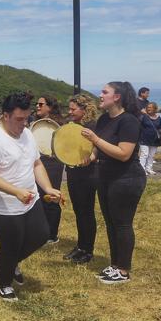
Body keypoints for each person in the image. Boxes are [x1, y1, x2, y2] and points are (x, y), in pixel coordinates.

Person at [0, 92, 62, 302]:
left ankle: (11, 262)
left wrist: (48, 188)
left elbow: (36, 164)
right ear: (5, 116)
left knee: (42, 234)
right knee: (11, 243)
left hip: (28, 197)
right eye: (19, 119)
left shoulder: (27, 134)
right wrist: (15, 191)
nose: (24, 124)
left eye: (26, 118)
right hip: (0, 203)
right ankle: (4, 284)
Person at [81, 81, 147, 284]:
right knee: (110, 223)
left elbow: (124, 154)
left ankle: (124, 270)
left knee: (122, 224)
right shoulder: (103, 120)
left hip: (127, 178)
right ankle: (115, 264)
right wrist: (89, 158)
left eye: (104, 92)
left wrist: (95, 140)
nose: (100, 95)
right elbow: (97, 150)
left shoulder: (129, 121)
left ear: (117, 97)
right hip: (106, 177)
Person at [63, 94, 99, 264]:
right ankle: (80, 246)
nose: (70, 112)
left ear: (84, 109)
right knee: (78, 211)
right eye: (69, 108)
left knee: (86, 212)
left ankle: (87, 250)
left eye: (73, 109)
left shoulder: (93, 126)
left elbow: (98, 147)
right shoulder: (72, 125)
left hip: (88, 174)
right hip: (73, 172)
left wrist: (91, 158)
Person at [32, 95, 65, 244]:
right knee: (38, 196)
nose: (37, 106)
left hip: (52, 162)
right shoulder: (34, 123)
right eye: (36, 104)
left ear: (50, 107)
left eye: (41, 104)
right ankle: (41, 231)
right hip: (37, 160)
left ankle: (52, 235)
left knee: (50, 197)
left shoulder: (58, 125)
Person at [138, 102, 161, 175]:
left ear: (155, 109)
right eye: (148, 107)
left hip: (154, 139)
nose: (149, 109)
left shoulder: (158, 117)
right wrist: (145, 114)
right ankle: (142, 169)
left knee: (151, 155)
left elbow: (159, 127)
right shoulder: (143, 116)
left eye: (150, 107)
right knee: (144, 154)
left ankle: (149, 168)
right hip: (144, 138)